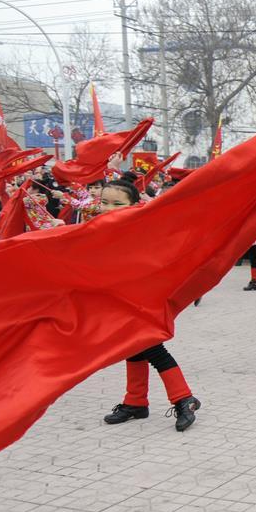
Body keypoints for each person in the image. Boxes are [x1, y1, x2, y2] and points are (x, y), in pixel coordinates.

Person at [97, 180, 202, 432]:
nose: (108, 208)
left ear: (135, 205)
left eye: (117, 204)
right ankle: (135, 402)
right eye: (104, 202)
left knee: (153, 349)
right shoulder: (98, 228)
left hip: (141, 300)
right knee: (132, 347)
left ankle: (184, 398)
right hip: (117, 299)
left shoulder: (141, 228)